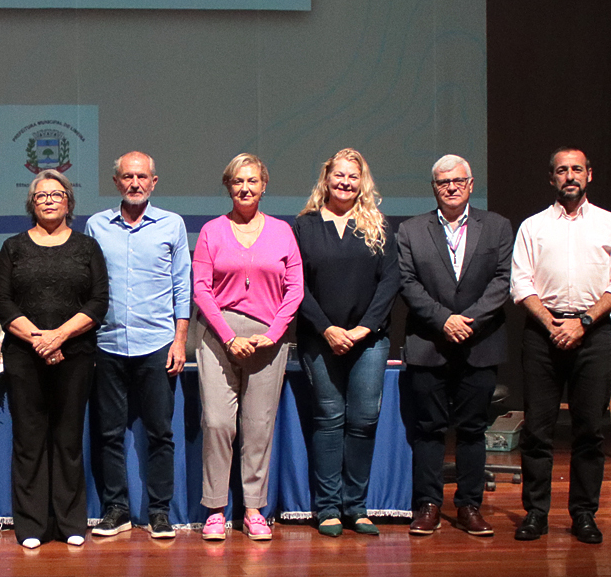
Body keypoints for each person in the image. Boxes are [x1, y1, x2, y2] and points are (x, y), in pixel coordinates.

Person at [510, 147, 611, 545]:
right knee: (538, 431)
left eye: (576, 169)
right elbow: (521, 283)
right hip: (542, 333)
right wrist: (552, 324)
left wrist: (581, 324)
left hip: (592, 332)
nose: (569, 176)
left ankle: (584, 513)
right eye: (562, 170)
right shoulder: (532, 227)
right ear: (551, 178)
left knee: (588, 431)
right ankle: (536, 513)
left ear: (589, 175)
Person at [397, 155, 512, 537]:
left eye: (458, 180)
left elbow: (503, 280)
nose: (451, 186)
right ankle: (428, 506)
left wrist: (469, 321)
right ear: (434, 187)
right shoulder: (411, 230)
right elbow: (408, 283)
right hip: (429, 343)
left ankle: (468, 506)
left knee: (472, 430)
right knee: (428, 429)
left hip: (480, 343)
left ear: (471, 183)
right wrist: (443, 319)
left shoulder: (496, 226)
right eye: (443, 181)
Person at [0, 170, 108, 549]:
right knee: (29, 440)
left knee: (68, 438)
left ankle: (70, 522)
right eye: (40, 195)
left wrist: (60, 336)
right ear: (31, 202)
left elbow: (98, 302)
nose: (48, 200)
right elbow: (3, 302)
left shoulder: (87, 248)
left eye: (56, 194)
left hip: (75, 354)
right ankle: (31, 526)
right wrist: (40, 339)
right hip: (24, 356)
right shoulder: (12, 247)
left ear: (68, 201)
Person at [192, 153, 303, 542]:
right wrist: (228, 337)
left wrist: (272, 335)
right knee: (218, 424)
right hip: (220, 336)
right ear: (228, 186)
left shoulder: (282, 231)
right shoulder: (211, 231)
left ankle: (254, 508)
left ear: (264, 185)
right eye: (238, 181)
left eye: (253, 181)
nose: (245, 188)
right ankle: (215, 510)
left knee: (258, 427)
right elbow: (201, 289)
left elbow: (295, 288)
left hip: (267, 340)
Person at [292, 148, 399, 537]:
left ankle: (357, 506)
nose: (345, 182)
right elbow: (296, 285)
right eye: (338, 175)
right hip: (320, 339)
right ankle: (328, 508)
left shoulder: (379, 225)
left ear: (362, 182)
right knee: (329, 418)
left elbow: (391, 282)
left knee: (364, 419)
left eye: (352, 176)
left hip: (369, 340)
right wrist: (327, 329)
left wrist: (362, 329)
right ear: (326, 178)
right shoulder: (303, 226)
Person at [84, 152, 190, 540]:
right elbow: (89, 287)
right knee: (109, 433)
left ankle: (160, 511)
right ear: (116, 183)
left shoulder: (172, 225)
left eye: (142, 176)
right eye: (127, 177)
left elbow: (183, 286)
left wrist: (180, 341)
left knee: (160, 432)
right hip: (107, 344)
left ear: (154, 181)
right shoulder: (97, 225)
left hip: (157, 345)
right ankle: (117, 510)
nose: (134, 183)